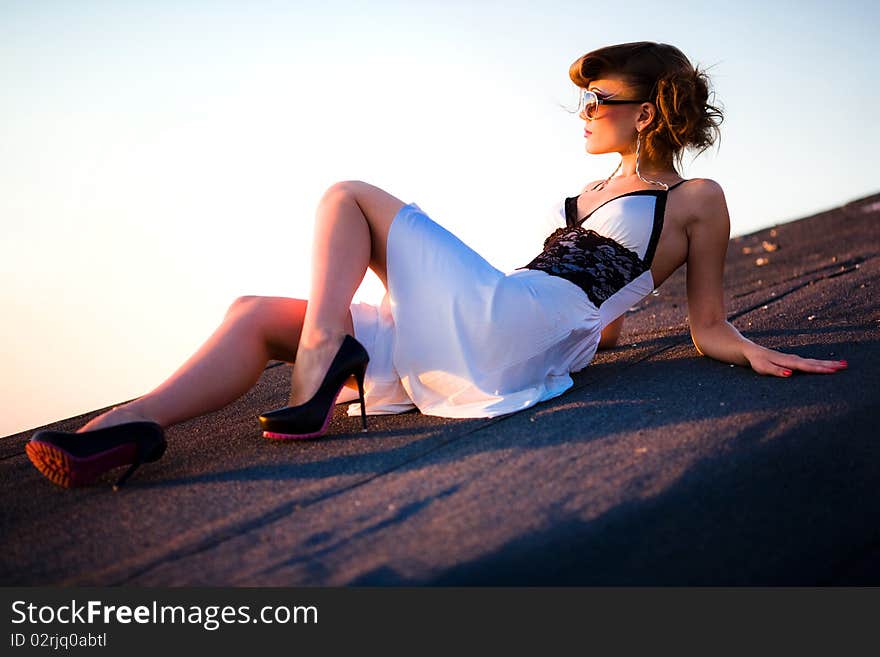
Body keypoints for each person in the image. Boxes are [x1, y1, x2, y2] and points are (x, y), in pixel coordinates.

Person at [26, 41, 847, 490]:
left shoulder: (695, 194)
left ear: (648, 107)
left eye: (600, 98)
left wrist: (753, 349)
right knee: (252, 311)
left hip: (514, 324)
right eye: (586, 98)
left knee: (348, 192)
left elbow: (706, 321)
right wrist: (597, 333)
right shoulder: (592, 189)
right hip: (513, 322)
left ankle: (324, 357)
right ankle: (125, 430)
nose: (586, 111)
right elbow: (611, 308)